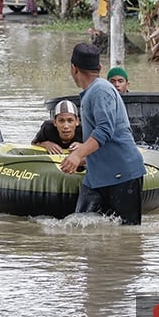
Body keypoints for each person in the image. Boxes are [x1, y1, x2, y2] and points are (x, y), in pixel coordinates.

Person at [60, 43, 146, 225]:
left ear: (73, 68)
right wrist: (82, 158)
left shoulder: (101, 90)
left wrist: (77, 154)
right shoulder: (92, 92)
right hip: (96, 177)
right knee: (78, 227)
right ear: (99, 68)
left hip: (122, 174)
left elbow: (104, 130)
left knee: (126, 237)